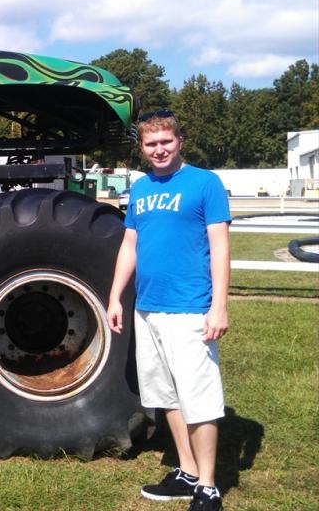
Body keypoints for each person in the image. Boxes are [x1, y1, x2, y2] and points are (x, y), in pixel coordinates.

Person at [107, 110, 231, 511]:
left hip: (190, 308)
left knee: (199, 397)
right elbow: (130, 246)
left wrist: (219, 306)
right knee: (167, 395)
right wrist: (114, 297)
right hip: (148, 308)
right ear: (142, 148)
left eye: (166, 141)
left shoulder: (205, 184)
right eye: (151, 144)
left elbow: (221, 248)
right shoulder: (141, 189)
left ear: (179, 142)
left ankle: (208, 487)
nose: (159, 149)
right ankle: (188, 470)